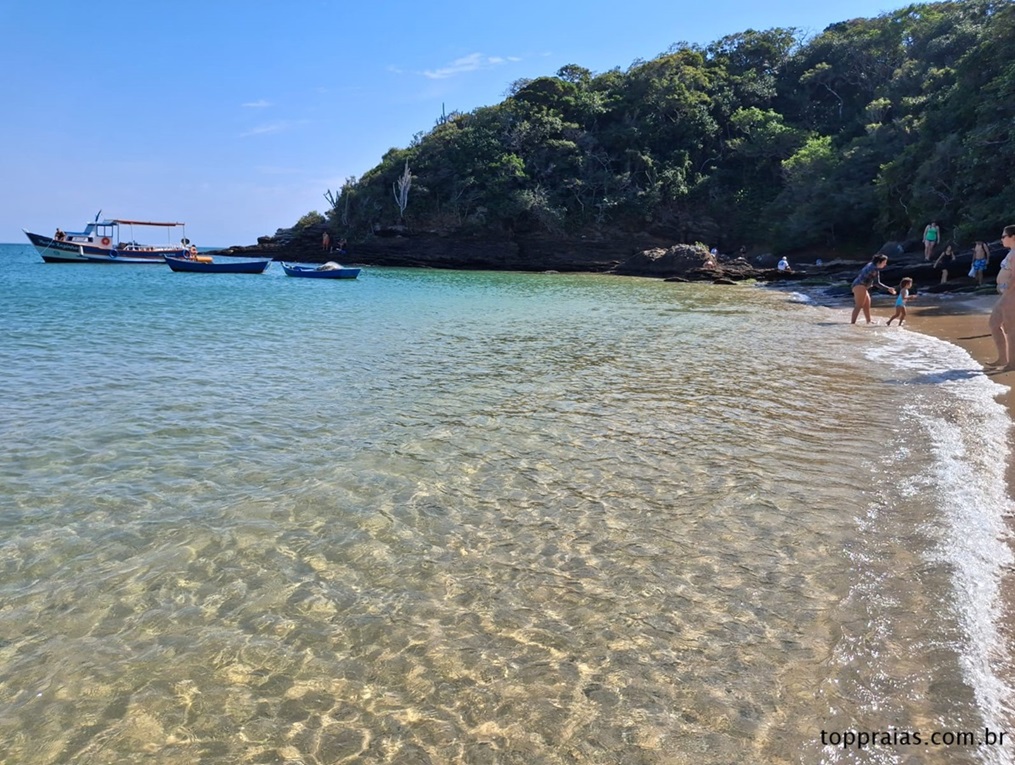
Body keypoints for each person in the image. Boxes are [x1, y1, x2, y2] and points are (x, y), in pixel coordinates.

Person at [988, 225, 1015, 370]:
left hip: (1011, 295)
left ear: (1013, 237)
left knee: (1010, 329)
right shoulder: (1012, 252)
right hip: (1007, 294)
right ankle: (1002, 359)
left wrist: (1006, 291)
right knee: (994, 324)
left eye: (1004, 236)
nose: (1002, 239)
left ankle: (1012, 363)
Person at [851, 254, 896, 324]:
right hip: (859, 286)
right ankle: (852, 323)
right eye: (884, 262)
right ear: (879, 262)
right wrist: (888, 289)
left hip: (860, 285)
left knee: (867, 304)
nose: (885, 264)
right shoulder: (874, 269)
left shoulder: (871, 265)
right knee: (859, 305)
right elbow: (877, 283)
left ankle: (868, 321)